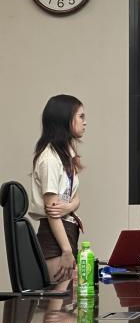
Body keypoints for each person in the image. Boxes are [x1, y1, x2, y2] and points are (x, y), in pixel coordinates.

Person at [29, 95, 86, 284]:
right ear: (65, 119)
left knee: (68, 299)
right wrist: (66, 250)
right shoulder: (49, 159)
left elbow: (75, 197)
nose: (85, 122)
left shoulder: (65, 155)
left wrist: (69, 207)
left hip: (66, 233)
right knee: (58, 300)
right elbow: (53, 211)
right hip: (55, 240)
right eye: (81, 116)